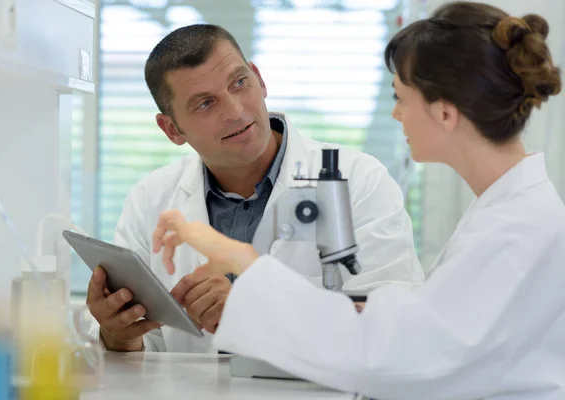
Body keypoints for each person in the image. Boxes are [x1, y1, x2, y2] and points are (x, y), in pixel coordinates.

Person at [152, 2, 565, 398]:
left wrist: (246, 266)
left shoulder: (515, 231)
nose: (395, 115)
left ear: (444, 113)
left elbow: (387, 357)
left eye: (401, 98)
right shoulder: (505, 214)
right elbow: (408, 334)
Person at [86, 24, 425, 353]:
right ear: (172, 129)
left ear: (259, 80)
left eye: (239, 82)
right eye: (205, 103)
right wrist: (119, 335)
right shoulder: (150, 200)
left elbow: (391, 330)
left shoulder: (358, 181)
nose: (235, 111)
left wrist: (253, 309)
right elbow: (144, 345)